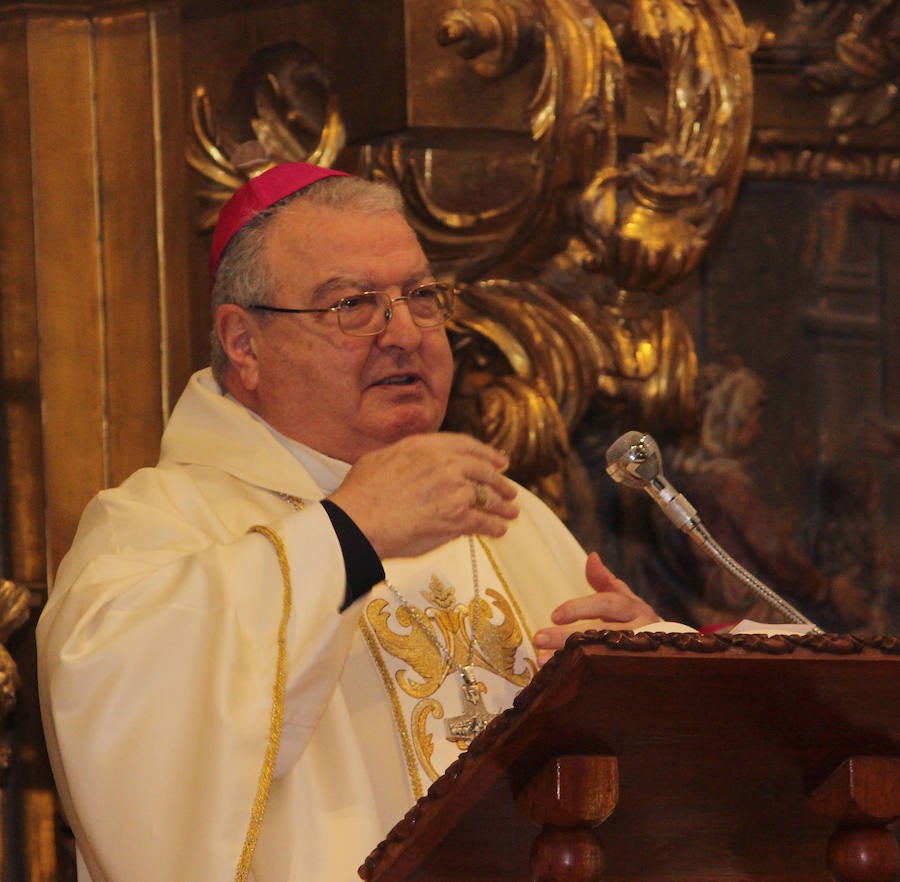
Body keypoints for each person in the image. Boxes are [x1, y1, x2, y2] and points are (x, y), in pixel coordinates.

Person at [36, 162, 681, 882]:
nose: (402, 332)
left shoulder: (506, 512)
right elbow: (125, 725)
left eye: (421, 296)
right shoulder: (155, 526)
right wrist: (347, 535)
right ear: (244, 345)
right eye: (352, 305)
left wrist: (641, 683)